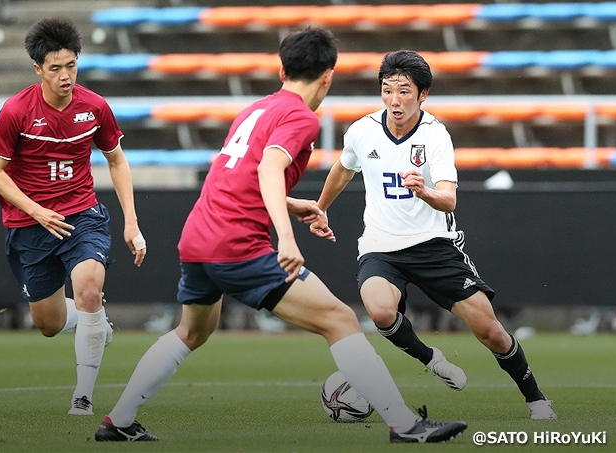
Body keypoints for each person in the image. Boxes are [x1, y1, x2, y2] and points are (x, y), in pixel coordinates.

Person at [94, 27, 467, 444]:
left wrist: (292, 205)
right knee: (340, 320)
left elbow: (237, 174)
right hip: (236, 244)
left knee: (191, 332)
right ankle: (405, 426)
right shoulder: (300, 117)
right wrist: (286, 238)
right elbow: (269, 169)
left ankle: (119, 420)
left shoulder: (257, 109)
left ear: (282, 67)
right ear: (328, 76)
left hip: (198, 236)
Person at [310, 50, 557, 420]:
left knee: (491, 331)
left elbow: (448, 199)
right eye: (387, 90)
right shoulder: (361, 131)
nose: (394, 99)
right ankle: (431, 359)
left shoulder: (435, 135)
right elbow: (344, 169)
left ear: (422, 94)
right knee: (379, 311)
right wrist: (321, 207)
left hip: (434, 246)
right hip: (381, 247)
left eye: (404, 91)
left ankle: (536, 399)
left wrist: (424, 191)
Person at [0, 18, 146, 416]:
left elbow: (117, 160)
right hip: (30, 225)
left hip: (81, 214)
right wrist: (36, 210)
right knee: (49, 323)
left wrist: (131, 221)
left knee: (90, 285)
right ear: (38, 69)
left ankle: (83, 397)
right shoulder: (17, 111)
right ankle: (95, 323)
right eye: (55, 68)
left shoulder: (95, 107)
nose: (65, 75)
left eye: (71, 65)